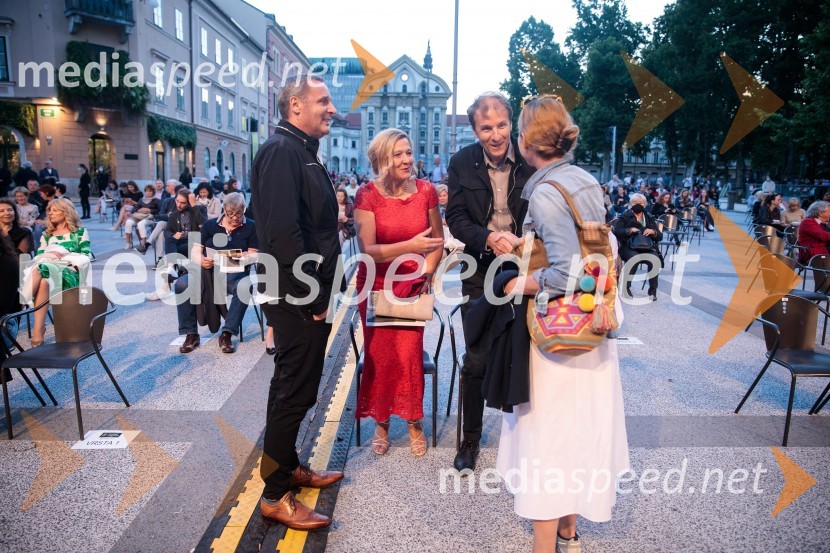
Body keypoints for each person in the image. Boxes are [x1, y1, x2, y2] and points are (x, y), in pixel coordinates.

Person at [500, 94, 629, 553]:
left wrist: (520, 283)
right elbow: (590, 249)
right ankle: (569, 533)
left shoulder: (544, 190)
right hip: (591, 325)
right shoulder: (585, 180)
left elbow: (567, 270)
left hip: (557, 334)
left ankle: (544, 547)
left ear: (525, 141)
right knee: (579, 433)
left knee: (548, 439)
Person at [250, 72, 344, 530]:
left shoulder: (299, 150)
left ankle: (286, 468)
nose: (332, 108)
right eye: (323, 101)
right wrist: (314, 297)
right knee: (294, 392)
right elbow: (284, 234)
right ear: (295, 106)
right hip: (297, 295)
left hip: (303, 292)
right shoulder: (281, 151)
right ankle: (275, 495)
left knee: (296, 387)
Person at [445, 91, 534, 472]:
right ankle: (470, 439)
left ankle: (529, 437)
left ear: (511, 123)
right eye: (486, 128)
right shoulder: (461, 162)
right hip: (479, 268)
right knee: (476, 357)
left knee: (527, 350)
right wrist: (487, 237)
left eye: (501, 125)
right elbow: (456, 217)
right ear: (475, 130)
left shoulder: (530, 157)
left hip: (525, 266)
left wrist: (523, 242)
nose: (495, 135)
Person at [352, 128, 444, 457]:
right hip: (376, 286)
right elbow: (368, 249)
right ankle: (382, 422)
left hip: (412, 285)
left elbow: (437, 240)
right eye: (398, 154)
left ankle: (414, 420)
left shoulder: (426, 191)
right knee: (380, 357)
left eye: (408, 152)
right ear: (382, 160)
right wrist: (411, 245)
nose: (407, 160)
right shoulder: (366, 195)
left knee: (408, 356)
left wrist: (428, 270)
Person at [173, 192, 256, 355]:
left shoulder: (251, 226)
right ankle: (191, 334)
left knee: (244, 287)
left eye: (239, 213)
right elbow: (195, 251)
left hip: (233, 273)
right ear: (224, 210)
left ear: (244, 209)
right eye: (231, 213)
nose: (235, 218)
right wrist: (201, 260)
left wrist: (245, 257)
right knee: (182, 284)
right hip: (207, 272)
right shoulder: (210, 225)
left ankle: (227, 334)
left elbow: (255, 254)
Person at [23, 198, 91, 347]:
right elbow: (39, 257)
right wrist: (51, 254)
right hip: (48, 271)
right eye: (49, 210)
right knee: (44, 281)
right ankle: (39, 329)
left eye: (55, 210)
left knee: (40, 269)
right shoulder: (47, 235)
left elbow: (86, 256)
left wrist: (65, 255)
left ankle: (20, 303)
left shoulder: (79, 232)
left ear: (66, 211)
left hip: (70, 273)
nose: (50, 213)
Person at [614, 193, 664, 301]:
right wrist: (629, 230)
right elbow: (617, 232)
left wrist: (653, 232)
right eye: (635, 202)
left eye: (640, 203)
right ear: (630, 204)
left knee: (654, 259)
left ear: (645, 204)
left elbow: (660, 236)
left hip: (647, 246)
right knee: (634, 258)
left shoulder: (649, 217)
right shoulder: (625, 216)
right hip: (629, 246)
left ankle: (652, 289)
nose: (638, 204)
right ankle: (626, 287)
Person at [124, 185, 161, 250]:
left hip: (149, 218)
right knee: (128, 222)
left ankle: (143, 244)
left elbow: (159, 210)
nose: (148, 192)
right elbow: (134, 209)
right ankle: (128, 242)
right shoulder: (141, 200)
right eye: (147, 191)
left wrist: (149, 210)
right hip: (139, 217)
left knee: (140, 224)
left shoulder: (156, 200)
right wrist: (139, 210)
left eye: (150, 191)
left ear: (153, 192)